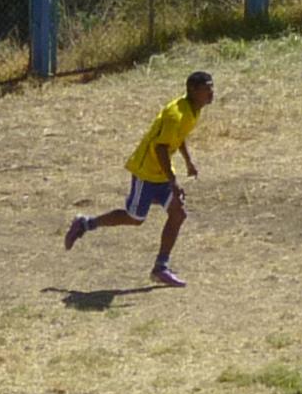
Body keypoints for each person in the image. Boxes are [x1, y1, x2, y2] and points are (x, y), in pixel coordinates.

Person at [63, 70, 210, 288]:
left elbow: (178, 138)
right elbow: (160, 148)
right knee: (135, 218)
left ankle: (161, 267)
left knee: (178, 214)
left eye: (211, 87)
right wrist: (172, 180)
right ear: (193, 90)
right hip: (147, 173)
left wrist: (188, 161)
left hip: (162, 173)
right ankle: (85, 224)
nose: (211, 92)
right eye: (206, 88)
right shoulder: (175, 114)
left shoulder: (192, 111)